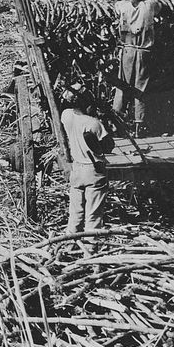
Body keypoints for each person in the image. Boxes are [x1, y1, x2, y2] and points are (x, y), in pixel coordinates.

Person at [60, 84, 115, 234]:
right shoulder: (94, 124)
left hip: (76, 170)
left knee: (75, 215)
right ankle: (90, 250)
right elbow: (108, 146)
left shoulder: (66, 116)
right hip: (93, 171)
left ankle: (69, 245)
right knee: (93, 217)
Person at [111, 0, 162, 137]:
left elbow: (115, 3)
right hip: (143, 52)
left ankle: (115, 124)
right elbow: (160, 6)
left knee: (122, 86)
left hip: (127, 51)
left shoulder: (124, 6)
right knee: (141, 88)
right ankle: (139, 127)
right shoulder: (150, 6)